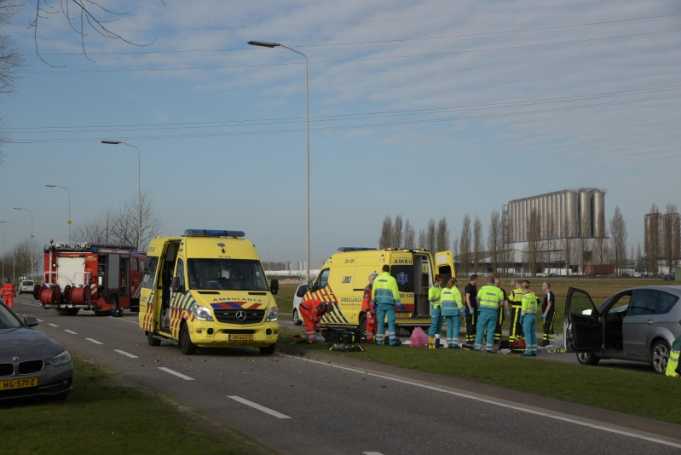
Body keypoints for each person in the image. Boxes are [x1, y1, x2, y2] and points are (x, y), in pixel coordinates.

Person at [372, 265, 401, 346]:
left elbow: (373, 291)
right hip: (389, 304)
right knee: (391, 322)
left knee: (380, 322)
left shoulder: (377, 279)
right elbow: (395, 292)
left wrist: (373, 302)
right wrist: (398, 303)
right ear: (389, 270)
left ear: (382, 270)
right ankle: (392, 341)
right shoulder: (392, 279)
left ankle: (379, 341)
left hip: (379, 304)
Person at [474, 276, 504, 353]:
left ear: (487, 281)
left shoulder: (483, 288)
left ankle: (478, 346)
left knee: (480, 328)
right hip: (493, 311)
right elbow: (502, 302)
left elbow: (477, 298)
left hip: (483, 310)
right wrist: (497, 307)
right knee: (491, 329)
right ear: (494, 282)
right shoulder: (498, 290)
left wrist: (479, 306)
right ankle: (489, 347)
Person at [441, 277, 463, 349]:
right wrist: (462, 311)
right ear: (455, 283)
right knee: (455, 327)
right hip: (454, 312)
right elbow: (459, 302)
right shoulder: (455, 290)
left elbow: (441, 302)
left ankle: (449, 343)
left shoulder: (443, 290)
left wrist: (443, 311)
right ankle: (454, 344)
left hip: (446, 311)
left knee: (449, 327)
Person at [520, 280, 539, 357]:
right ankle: (534, 350)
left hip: (527, 316)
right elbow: (536, 306)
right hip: (533, 316)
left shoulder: (525, 297)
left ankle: (528, 351)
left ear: (524, 289)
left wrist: (521, 318)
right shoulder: (533, 296)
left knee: (527, 334)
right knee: (532, 333)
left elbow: (523, 309)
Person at [508, 280, 526, 348]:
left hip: (515, 309)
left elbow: (510, 300)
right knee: (520, 324)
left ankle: (512, 339)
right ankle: (519, 339)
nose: (515, 286)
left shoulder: (514, 291)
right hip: (522, 309)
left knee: (514, 324)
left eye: (515, 284)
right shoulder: (524, 292)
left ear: (517, 285)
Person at [427, 275, 443, 349]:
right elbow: (430, 299)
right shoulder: (432, 289)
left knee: (439, 326)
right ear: (437, 280)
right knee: (434, 325)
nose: (441, 282)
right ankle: (430, 343)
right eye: (440, 280)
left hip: (441, 309)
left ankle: (437, 343)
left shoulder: (441, 288)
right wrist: (438, 297)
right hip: (435, 308)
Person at [361, 272, 378, 342]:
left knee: (376, 324)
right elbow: (366, 300)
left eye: (375, 278)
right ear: (370, 280)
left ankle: (374, 338)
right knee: (370, 324)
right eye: (373, 279)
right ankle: (369, 339)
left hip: (375, 309)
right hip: (369, 309)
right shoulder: (368, 288)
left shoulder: (376, 287)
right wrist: (367, 310)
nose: (375, 280)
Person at [494, 278, 509, 344]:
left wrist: (507, 310)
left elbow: (505, 301)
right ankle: (491, 338)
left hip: (500, 310)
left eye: (498, 282)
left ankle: (497, 339)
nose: (497, 284)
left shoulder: (502, 290)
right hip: (493, 309)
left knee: (499, 324)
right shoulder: (492, 290)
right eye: (496, 282)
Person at [464, 275, 478, 343]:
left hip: (474, 307)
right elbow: (467, 298)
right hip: (470, 308)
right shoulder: (468, 287)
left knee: (473, 324)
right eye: (476, 280)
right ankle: (469, 340)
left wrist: (478, 306)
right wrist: (470, 308)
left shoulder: (474, 287)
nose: (477, 281)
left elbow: (475, 297)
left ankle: (472, 339)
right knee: (470, 323)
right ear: (474, 279)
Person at [541, 282, 556, 347]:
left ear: (547, 287)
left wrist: (545, 313)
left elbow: (549, 304)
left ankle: (545, 342)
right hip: (546, 313)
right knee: (545, 327)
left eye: (543, 285)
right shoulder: (546, 294)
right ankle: (546, 340)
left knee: (547, 327)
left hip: (549, 313)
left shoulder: (549, 294)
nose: (542, 286)